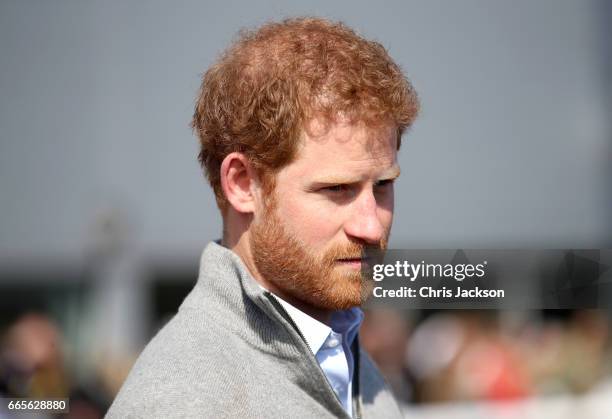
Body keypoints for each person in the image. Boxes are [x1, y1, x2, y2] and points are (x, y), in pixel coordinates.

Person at [107, 16, 419, 418]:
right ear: (241, 184)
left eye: (382, 186)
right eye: (336, 189)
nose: (371, 225)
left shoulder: (353, 365)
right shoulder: (182, 402)